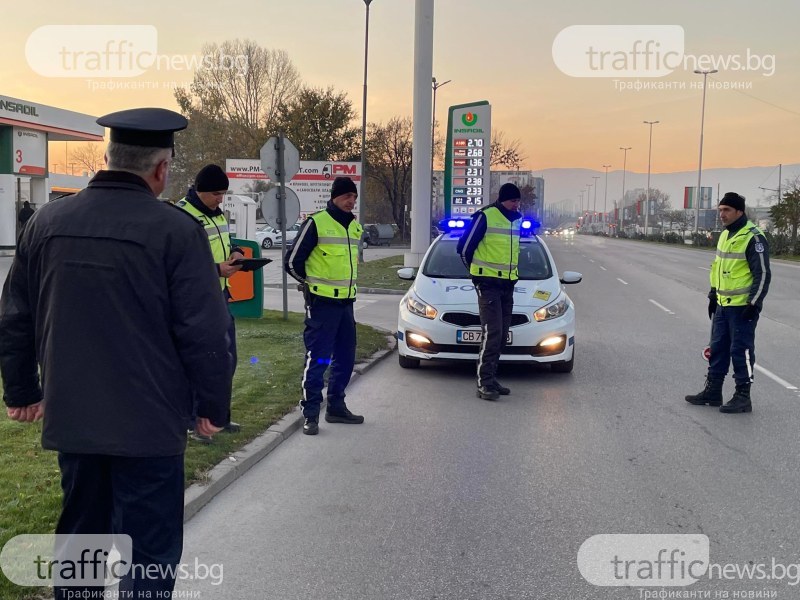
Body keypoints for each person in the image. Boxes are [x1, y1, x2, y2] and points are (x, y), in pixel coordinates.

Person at [0, 107, 232, 598]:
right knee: (148, 555)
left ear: (107, 157)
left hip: (76, 421)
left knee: (81, 546)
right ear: (161, 169)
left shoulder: (47, 222)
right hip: (150, 426)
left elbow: (15, 315)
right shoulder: (175, 232)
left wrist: (22, 389)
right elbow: (206, 332)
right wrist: (211, 406)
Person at [285, 176, 365, 435]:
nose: (350, 201)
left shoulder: (354, 227)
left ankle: (336, 407)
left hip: (346, 304)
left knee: (345, 357)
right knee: (318, 359)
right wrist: (308, 286)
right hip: (322, 305)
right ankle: (310, 413)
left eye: (353, 197)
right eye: (346, 196)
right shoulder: (316, 223)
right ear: (334, 197)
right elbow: (292, 262)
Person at [685, 192, 771, 413]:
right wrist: (713, 294)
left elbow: (762, 274)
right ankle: (713, 391)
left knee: (741, 351)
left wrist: (754, 304)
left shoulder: (753, 237)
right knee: (718, 349)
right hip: (723, 305)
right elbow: (718, 268)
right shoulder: (725, 234)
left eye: (726, 210)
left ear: (739, 212)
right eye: (720, 209)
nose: (721, 214)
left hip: (742, 307)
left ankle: (743, 396)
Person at [177, 164, 244, 441]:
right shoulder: (182, 215)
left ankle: (219, 417)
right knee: (200, 364)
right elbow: (179, 262)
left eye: (224, 194)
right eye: (216, 194)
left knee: (227, 360)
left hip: (220, 297)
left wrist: (237, 253)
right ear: (201, 191)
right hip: (194, 301)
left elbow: (226, 244)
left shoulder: (218, 215)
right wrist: (216, 270)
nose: (221, 199)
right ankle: (195, 424)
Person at [457, 183, 523, 401]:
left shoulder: (517, 220)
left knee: (502, 334)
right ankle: (484, 383)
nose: (517, 204)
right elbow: (464, 248)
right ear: (504, 199)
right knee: (492, 332)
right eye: (513, 200)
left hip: (507, 284)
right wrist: (476, 274)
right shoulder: (485, 216)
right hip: (488, 284)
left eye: (518, 201)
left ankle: (492, 378)